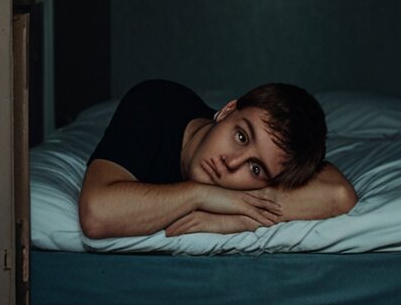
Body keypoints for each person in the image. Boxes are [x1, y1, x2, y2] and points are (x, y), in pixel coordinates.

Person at [79, 79, 357, 239]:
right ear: (226, 111)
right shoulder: (154, 104)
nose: (232, 163)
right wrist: (199, 196)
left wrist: (240, 220)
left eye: (255, 168)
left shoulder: (253, 182)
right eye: (241, 136)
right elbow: (97, 215)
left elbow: (339, 194)